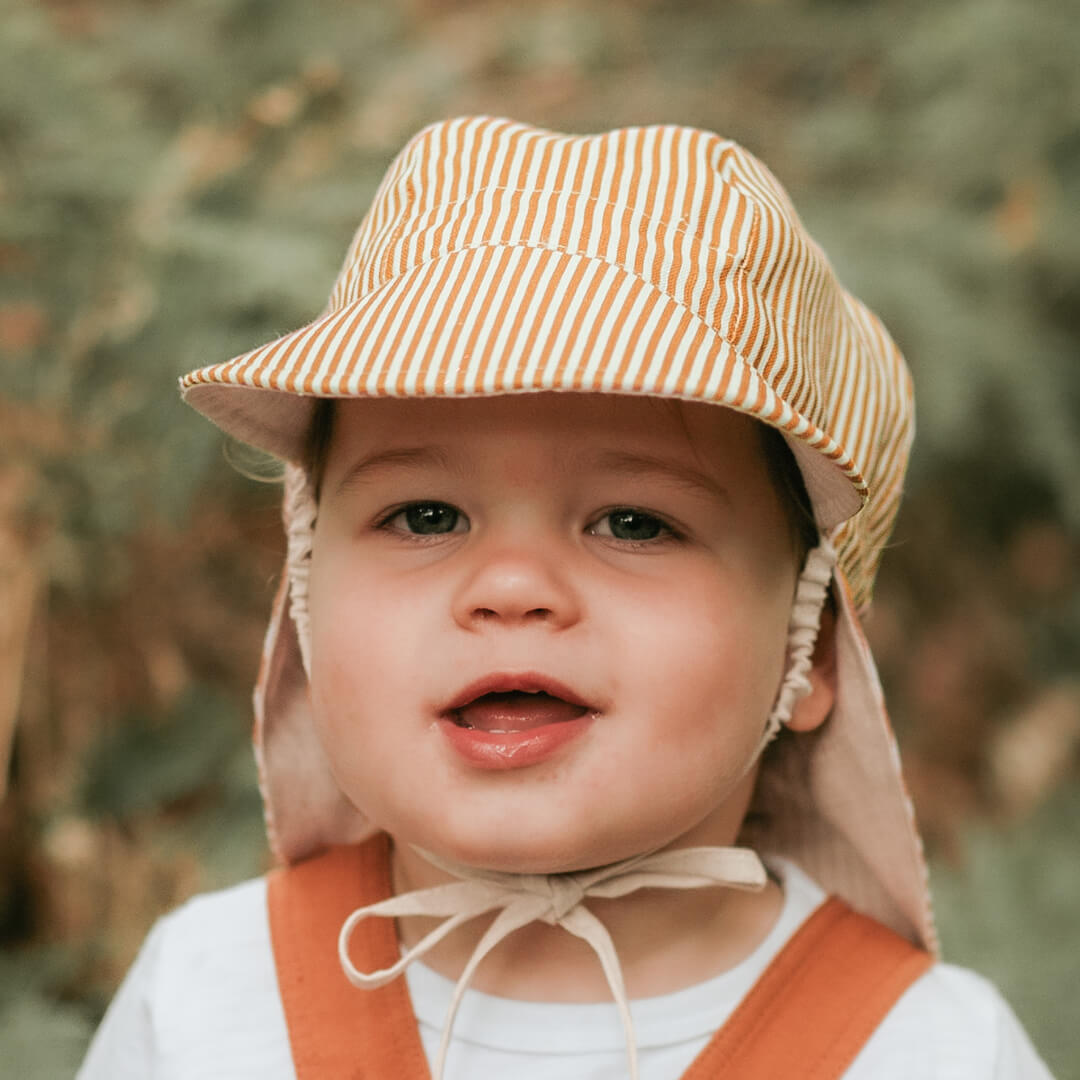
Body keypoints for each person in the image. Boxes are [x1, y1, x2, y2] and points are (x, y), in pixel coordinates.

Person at [77, 116, 1053, 1079]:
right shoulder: (206, 1007)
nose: (510, 588)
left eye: (634, 523)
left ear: (814, 652)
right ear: (301, 591)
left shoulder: (930, 1051)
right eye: (423, 516)